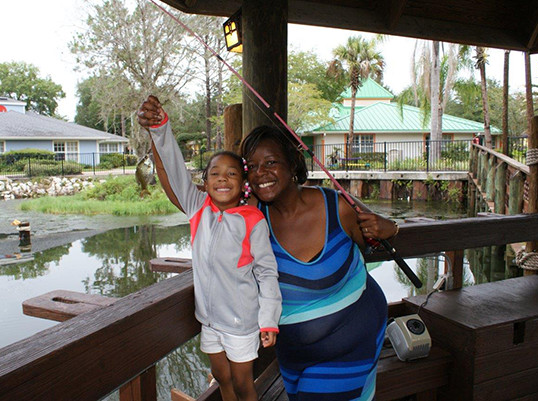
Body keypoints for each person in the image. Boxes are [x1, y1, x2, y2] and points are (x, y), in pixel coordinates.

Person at [137, 96, 282, 401]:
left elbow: (267, 273)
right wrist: (160, 129)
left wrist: (268, 318)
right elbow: (174, 172)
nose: (222, 179)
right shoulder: (198, 208)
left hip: (242, 323)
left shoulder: (252, 220)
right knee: (221, 378)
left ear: (243, 182)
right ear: (205, 180)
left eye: (231, 173)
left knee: (244, 384)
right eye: (215, 173)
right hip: (209, 320)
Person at [240, 125, 399, 401]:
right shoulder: (252, 217)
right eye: (251, 166)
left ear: (292, 162)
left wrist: (392, 227)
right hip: (292, 355)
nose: (260, 173)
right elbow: (192, 201)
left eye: (270, 162)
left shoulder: (337, 207)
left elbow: (374, 235)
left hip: (350, 343)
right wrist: (159, 132)